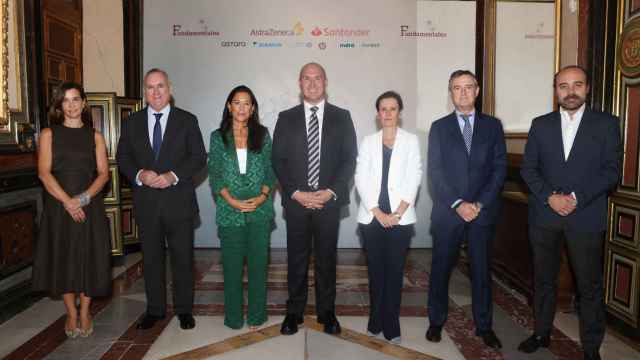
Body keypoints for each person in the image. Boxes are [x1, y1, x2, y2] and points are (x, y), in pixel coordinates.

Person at [518, 66, 622, 360]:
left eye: (577, 85)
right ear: (556, 91)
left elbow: (611, 171)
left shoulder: (607, 124)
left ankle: (591, 347)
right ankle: (540, 332)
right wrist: (550, 197)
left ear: (587, 88)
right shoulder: (541, 124)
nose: (570, 91)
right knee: (543, 280)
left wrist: (575, 198)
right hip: (544, 216)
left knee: (588, 285)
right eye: (563, 86)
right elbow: (529, 168)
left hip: (585, 216)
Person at [116, 68, 207, 330]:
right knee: (152, 260)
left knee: (182, 260)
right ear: (144, 92)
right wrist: (139, 173)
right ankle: (155, 309)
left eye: (160, 86)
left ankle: (184, 310)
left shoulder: (187, 120)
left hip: (179, 203)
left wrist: (173, 176)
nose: (155, 92)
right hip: (147, 204)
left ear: (170, 89)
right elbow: (123, 158)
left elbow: (198, 157)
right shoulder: (131, 122)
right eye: (150, 87)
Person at [272, 62, 358, 335]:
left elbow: (348, 159)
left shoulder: (342, 117)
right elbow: (278, 160)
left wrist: (330, 192)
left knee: (326, 259)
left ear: (325, 81)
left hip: (328, 202)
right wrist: (296, 193)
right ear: (299, 83)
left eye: (317, 78)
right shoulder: (285, 118)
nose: (312, 83)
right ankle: (293, 312)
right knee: (296, 259)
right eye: (306, 78)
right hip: (296, 202)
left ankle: (327, 312)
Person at [426, 70, 506, 349]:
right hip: (449, 212)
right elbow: (435, 173)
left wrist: (478, 204)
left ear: (477, 90)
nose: (462, 93)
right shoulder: (439, 127)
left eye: (468, 87)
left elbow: (499, 170)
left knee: (482, 271)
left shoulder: (493, 127)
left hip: (482, 213)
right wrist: (459, 204)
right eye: (456, 88)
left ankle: (484, 326)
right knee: (441, 268)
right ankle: (435, 321)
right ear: (450, 93)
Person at [32, 82, 111, 338]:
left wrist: (83, 199)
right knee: (63, 258)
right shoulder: (48, 134)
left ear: (84, 103)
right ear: (59, 106)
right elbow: (44, 173)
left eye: (76, 99)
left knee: (89, 258)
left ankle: (86, 311)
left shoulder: (95, 136)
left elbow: (103, 174)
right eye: (65, 101)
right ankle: (71, 312)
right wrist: (68, 201)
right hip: (59, 207)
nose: (72, 105)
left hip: (90, 206)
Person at [355, 91, 422, 344]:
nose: (388, 113)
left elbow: (414, 176)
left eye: (393, 109)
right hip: (372, 218)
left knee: (394, 273)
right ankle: (375, 320)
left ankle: (392, 324)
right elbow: (360, 177)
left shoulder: (411, 141)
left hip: (400, 219)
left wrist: (397, 213)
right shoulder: (368, 141)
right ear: (377, 113)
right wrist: (378, 212)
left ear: (399, 113)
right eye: (383, 109)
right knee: (376, 272)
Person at [208, 85, 275, 330]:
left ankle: (257, 316)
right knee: (232, 270)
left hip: (260, 211)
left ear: (253, 108)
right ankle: (233, 318)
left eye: (247, 103)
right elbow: (214, 173)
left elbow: (271, 170)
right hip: (229, 212)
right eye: (237, 102)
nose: (242, 108)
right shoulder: (218, 136)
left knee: (258, 268)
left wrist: (262, 197)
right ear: (229, 106)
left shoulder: (263, 134)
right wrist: (232, 201)